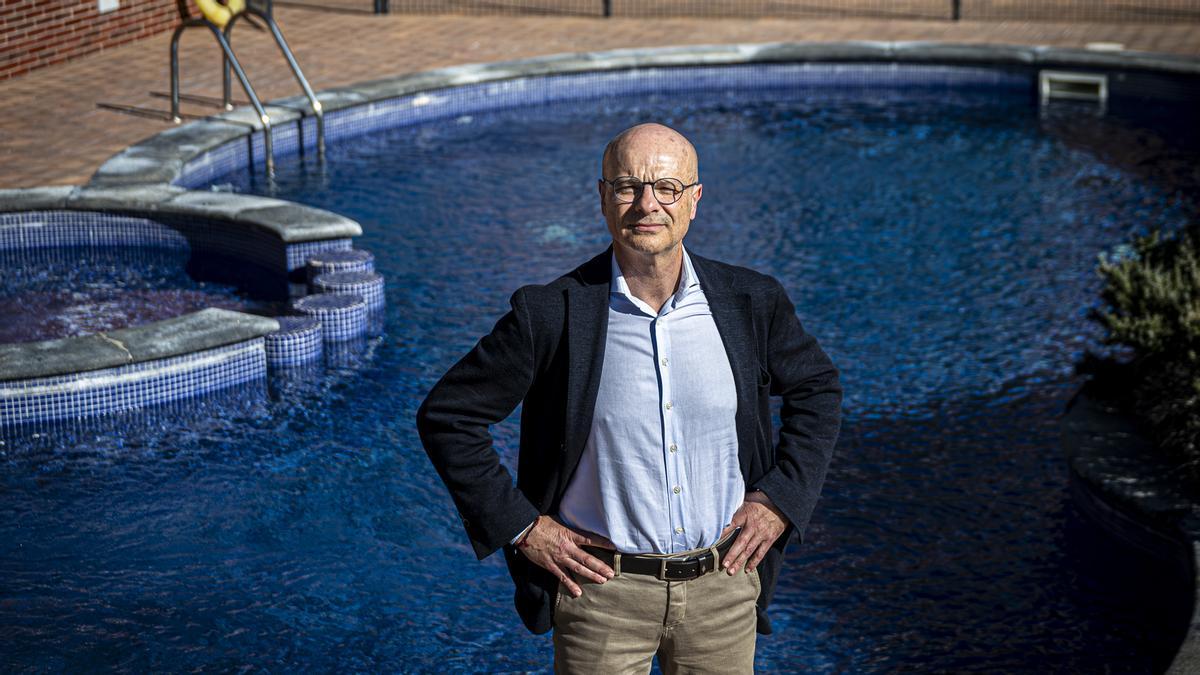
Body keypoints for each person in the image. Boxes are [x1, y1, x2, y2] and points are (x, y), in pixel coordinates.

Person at [417, 122, 842, 673]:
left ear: (694, 200)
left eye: (666, 188)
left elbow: (818, 388)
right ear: (602, 198)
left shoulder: (749, 302)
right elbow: (448, 417)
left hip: (724, 589)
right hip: (601, 597)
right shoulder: (551, 314)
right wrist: (523, 528)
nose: (647, 204)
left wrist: (781, 499)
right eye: (627, 186)